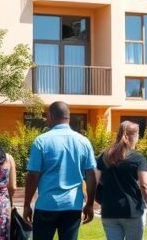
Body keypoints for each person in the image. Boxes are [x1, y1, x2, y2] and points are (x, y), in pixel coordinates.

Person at [24, 101, 98, 240]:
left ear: (51, 115)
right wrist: (89, 204)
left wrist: (27, 204)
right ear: (68, 117)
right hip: (72, 205)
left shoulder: (41, 141)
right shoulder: (83, 141)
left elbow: (33, 175)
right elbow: (91, 175)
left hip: (46, 204)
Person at [96, 121, 147, 240]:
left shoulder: (104, 156)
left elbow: (96, 182)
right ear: (134, 135)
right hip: (132, 210)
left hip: (109, 210)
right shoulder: (138, 158)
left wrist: (97, 201)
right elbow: (144, 186)